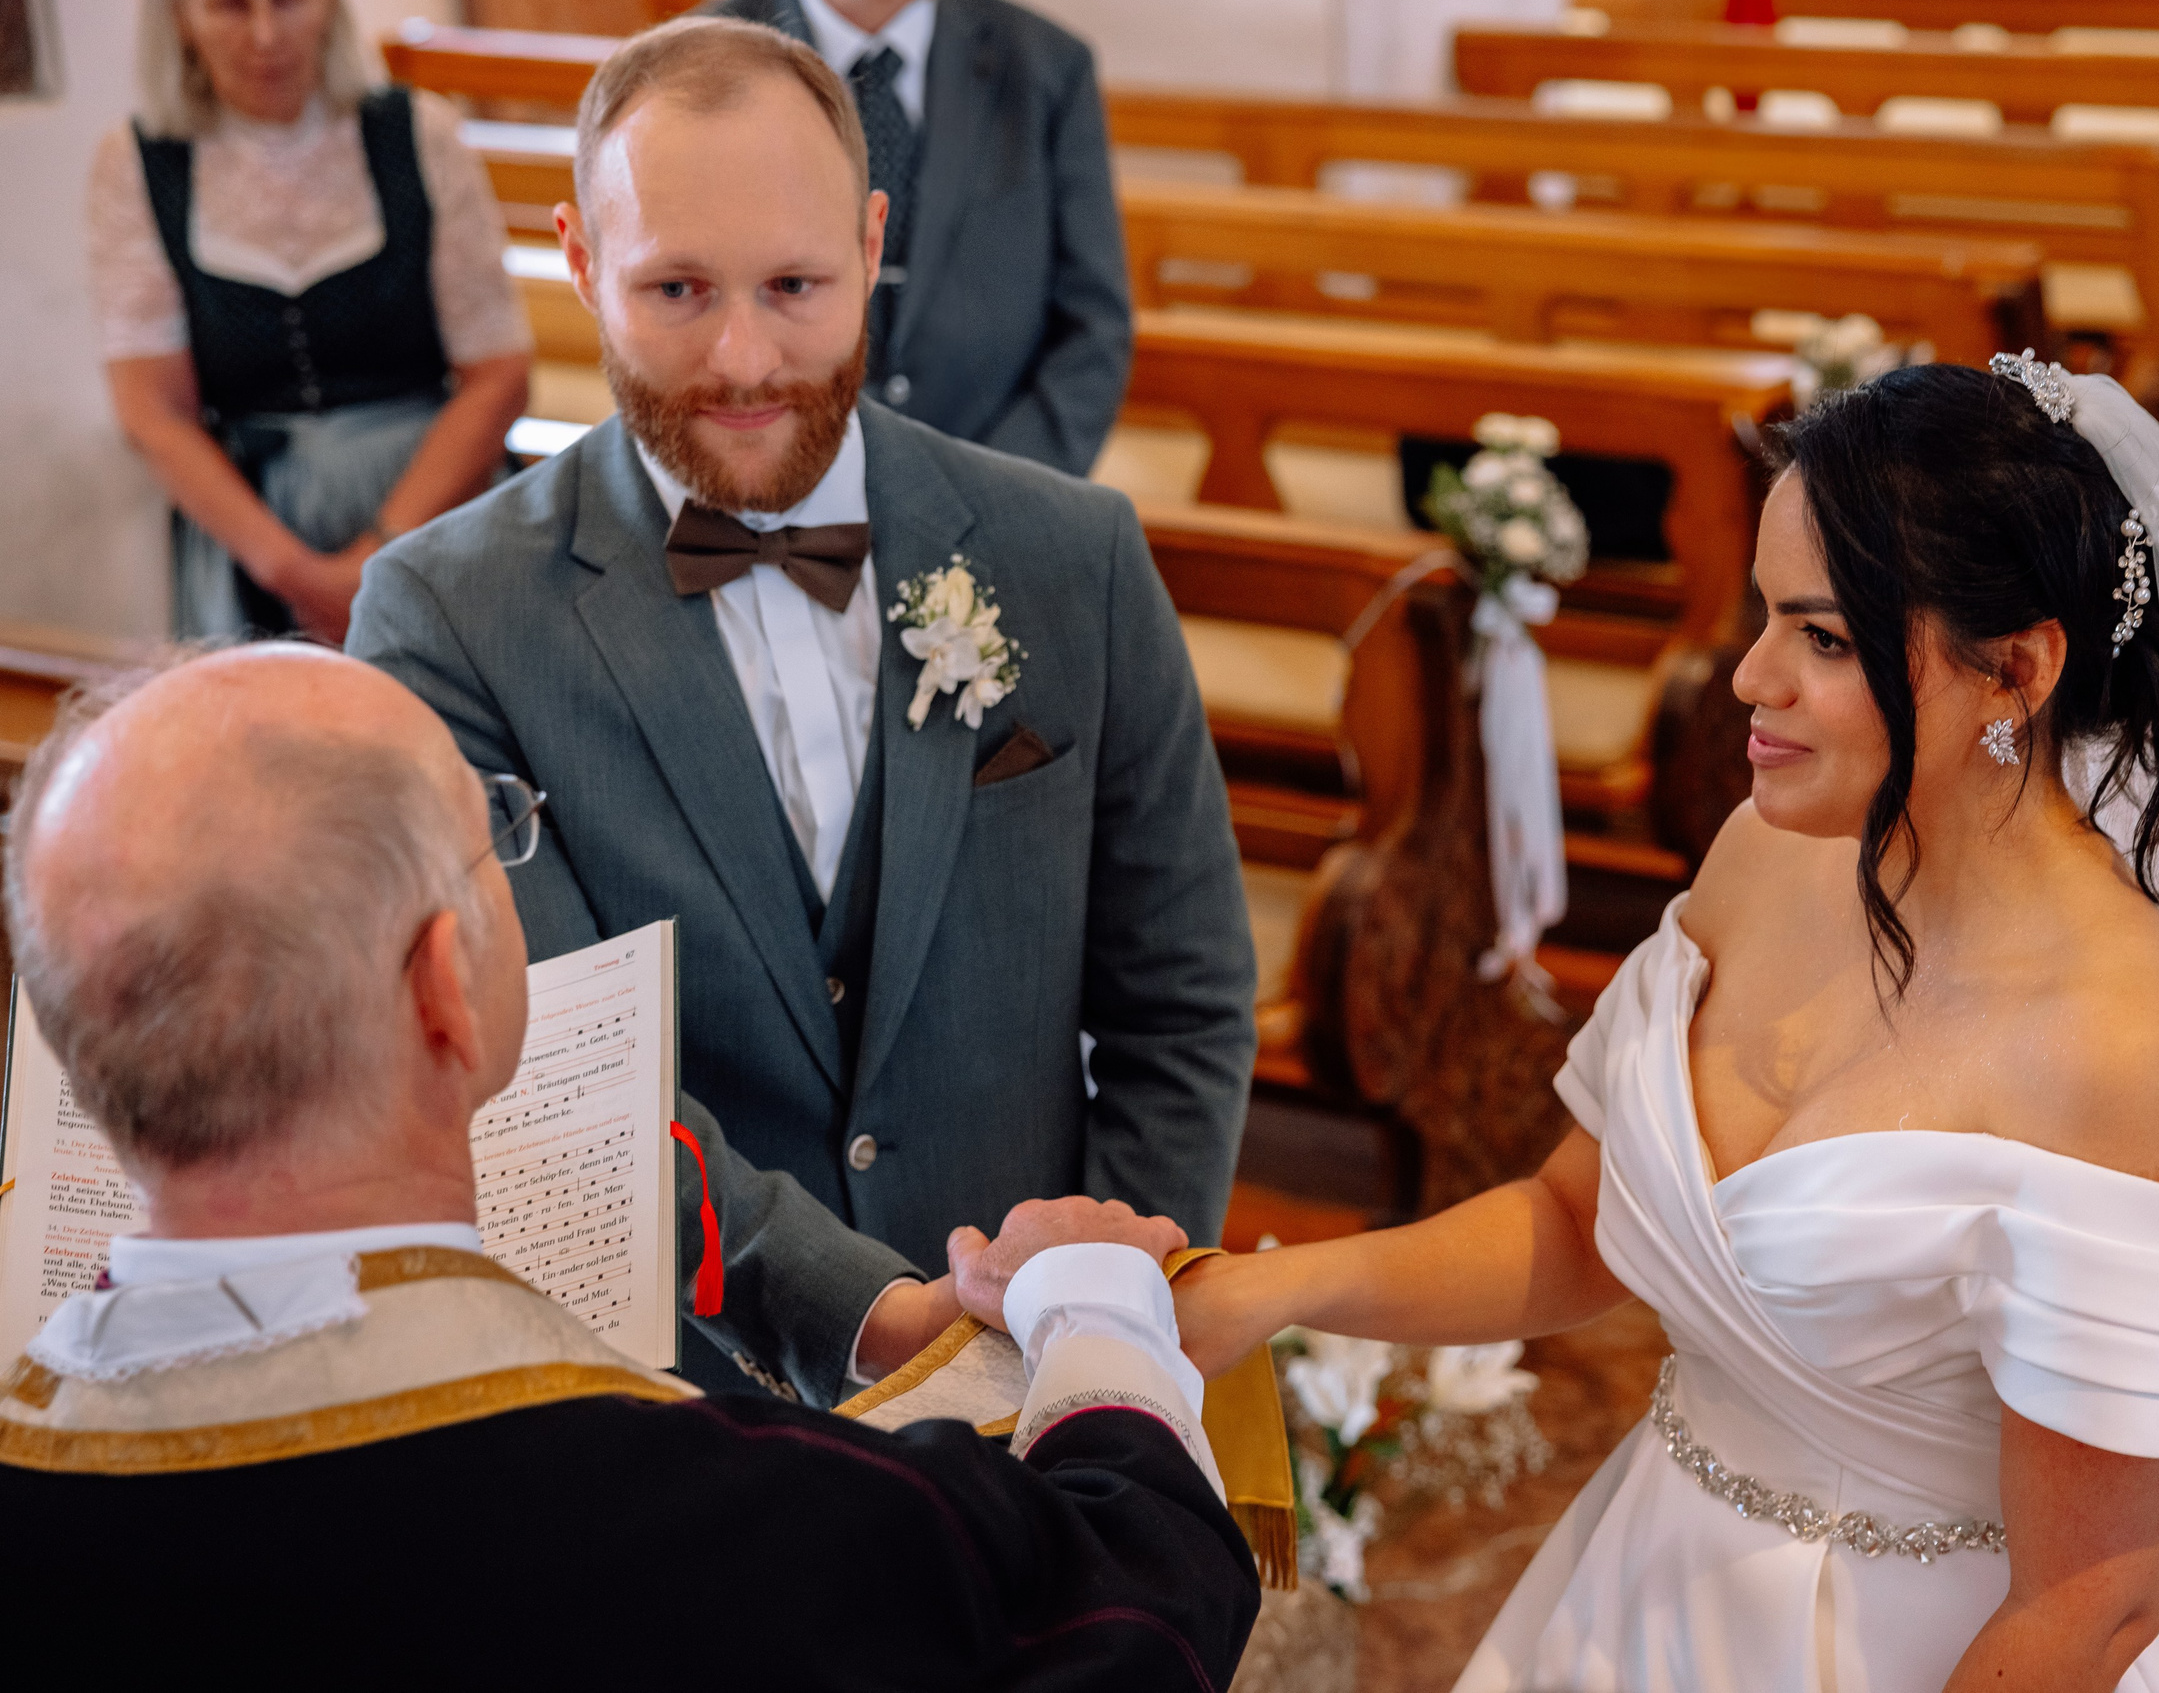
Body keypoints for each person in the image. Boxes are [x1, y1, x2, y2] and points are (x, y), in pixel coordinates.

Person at [1173, 361, 2159, 1691]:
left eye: (1821, 638)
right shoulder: (1767, 852)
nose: (1750, 676)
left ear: (2014, 671)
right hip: (1651, 1593)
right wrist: (1282, 1290)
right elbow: (1581, 1224)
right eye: (1764, 615)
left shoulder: (2107, 1045)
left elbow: (2093, 1607)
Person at [0, 642, 1261, 1690]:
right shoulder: (709, 1522)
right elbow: (1130, 1607)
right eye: (490, 842)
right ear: (445, 985)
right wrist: (1089, 1300)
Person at [345, 19, 1255, 1407]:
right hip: (677, 1409)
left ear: (873, 242)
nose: (744, 357)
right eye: (676, 289)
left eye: (794, 285)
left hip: (1047, 1371)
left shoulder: (1075, 558)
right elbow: (546, 1076)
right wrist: (874, 1321)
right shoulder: (445, 616)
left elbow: (1183, 1004)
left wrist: (1105, 1311)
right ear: (580, 261)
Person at [88, 0, 531, 642]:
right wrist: (292, 574)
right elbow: (153, 412)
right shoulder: (138, 163)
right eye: (230, 4)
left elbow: (499, 376)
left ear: (329, 3)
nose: (266, 35)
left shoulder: (419, 134)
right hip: (258, 535)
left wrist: (380, 553)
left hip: (436, 505)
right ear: (180, 18)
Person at [710, 0, 1131, 477]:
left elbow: (1093, 327)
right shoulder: (698, 61)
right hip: (764, 478)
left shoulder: (1048, 65)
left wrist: (995, 490)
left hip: (992, 478)